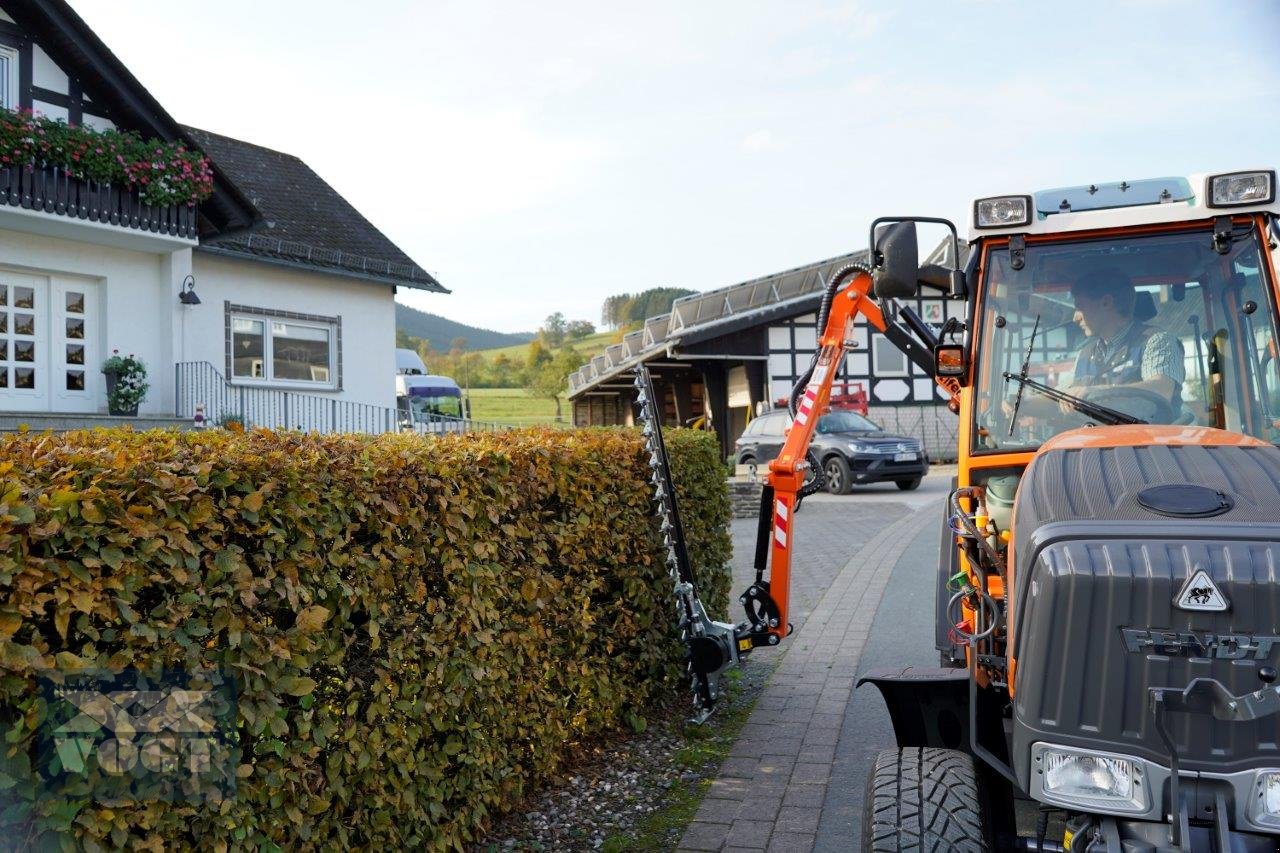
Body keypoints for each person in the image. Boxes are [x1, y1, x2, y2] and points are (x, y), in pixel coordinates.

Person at [1004, 268, 1184, 421]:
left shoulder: (1156, 340)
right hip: (1092, 444)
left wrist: (1093, 393)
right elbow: (1060, 398)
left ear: (1106, 303)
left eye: (1080, 307)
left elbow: (1160, 389)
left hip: (1149, 446)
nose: (1075, 318)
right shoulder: (1085, 353)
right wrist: (1022, 404)